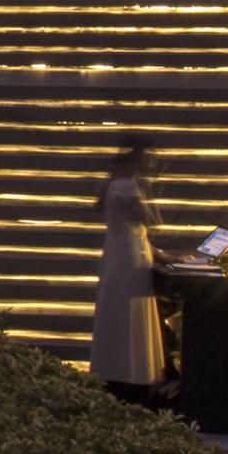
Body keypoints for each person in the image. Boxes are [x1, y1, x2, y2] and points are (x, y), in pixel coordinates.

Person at [90, 141, 163, 392]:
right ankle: (129, 372)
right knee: (128, 314)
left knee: (116, 312)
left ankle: (114, 368)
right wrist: (149, 192)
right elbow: (151, 220)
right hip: (130, 255)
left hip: (119, 251)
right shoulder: (128, 187)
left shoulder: (113, 185)